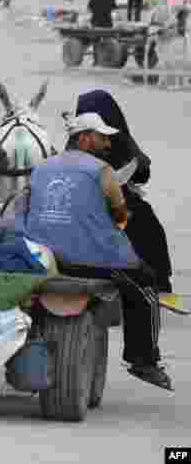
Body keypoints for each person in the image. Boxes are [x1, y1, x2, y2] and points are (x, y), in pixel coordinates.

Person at [24, 112, 172, 391]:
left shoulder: (42, 167)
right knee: (145, 283)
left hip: (41, 254)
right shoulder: (101, 170)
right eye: (101, 137)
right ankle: (144, 360)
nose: (106, 143)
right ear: (84, 138)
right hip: (88, 261)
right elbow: (119, 215)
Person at [75, 90, 175, 298]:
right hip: (97, 198)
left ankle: (158, 281)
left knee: (143, 219)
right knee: (143, 221)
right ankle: (157, 282)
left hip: (106, 196)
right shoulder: (103, 138)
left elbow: (141, 172)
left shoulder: (103, 138)